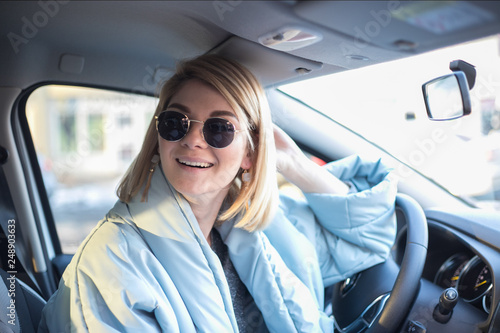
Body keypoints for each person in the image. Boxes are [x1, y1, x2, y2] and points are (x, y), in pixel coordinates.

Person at [39, 54, 397, 332]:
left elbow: (368, 242)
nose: (193, 139)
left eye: (220, 129)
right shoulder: (111, 264)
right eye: (175, 122)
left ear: (248, 152)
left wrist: (292, 163)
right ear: (158, 139)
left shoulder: (266, 226)